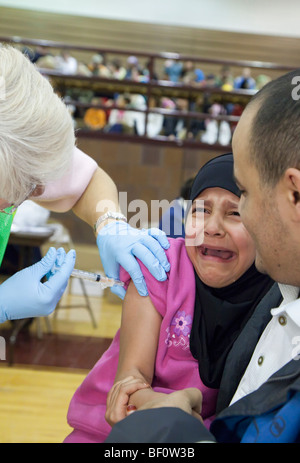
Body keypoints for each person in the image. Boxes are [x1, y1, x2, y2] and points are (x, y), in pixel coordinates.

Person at [106, 69, 300, 443]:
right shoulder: (279, 295)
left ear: (292, 193)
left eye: (241, 198)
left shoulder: (270, 290)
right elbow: (128, 384)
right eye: (200, 210)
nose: (213, 227)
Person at [64, 153, 274, 443]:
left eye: (234, 213)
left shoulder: (275, 297)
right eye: (200, 210)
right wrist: (167, 407)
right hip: (109, 432)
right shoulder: (160, 265)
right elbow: (130, 378)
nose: (212, 227)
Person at [0, 44, 170, 324]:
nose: (41, 191)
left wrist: (110, 223)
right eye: (26, 186)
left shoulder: (19, 141)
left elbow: (88, 180)